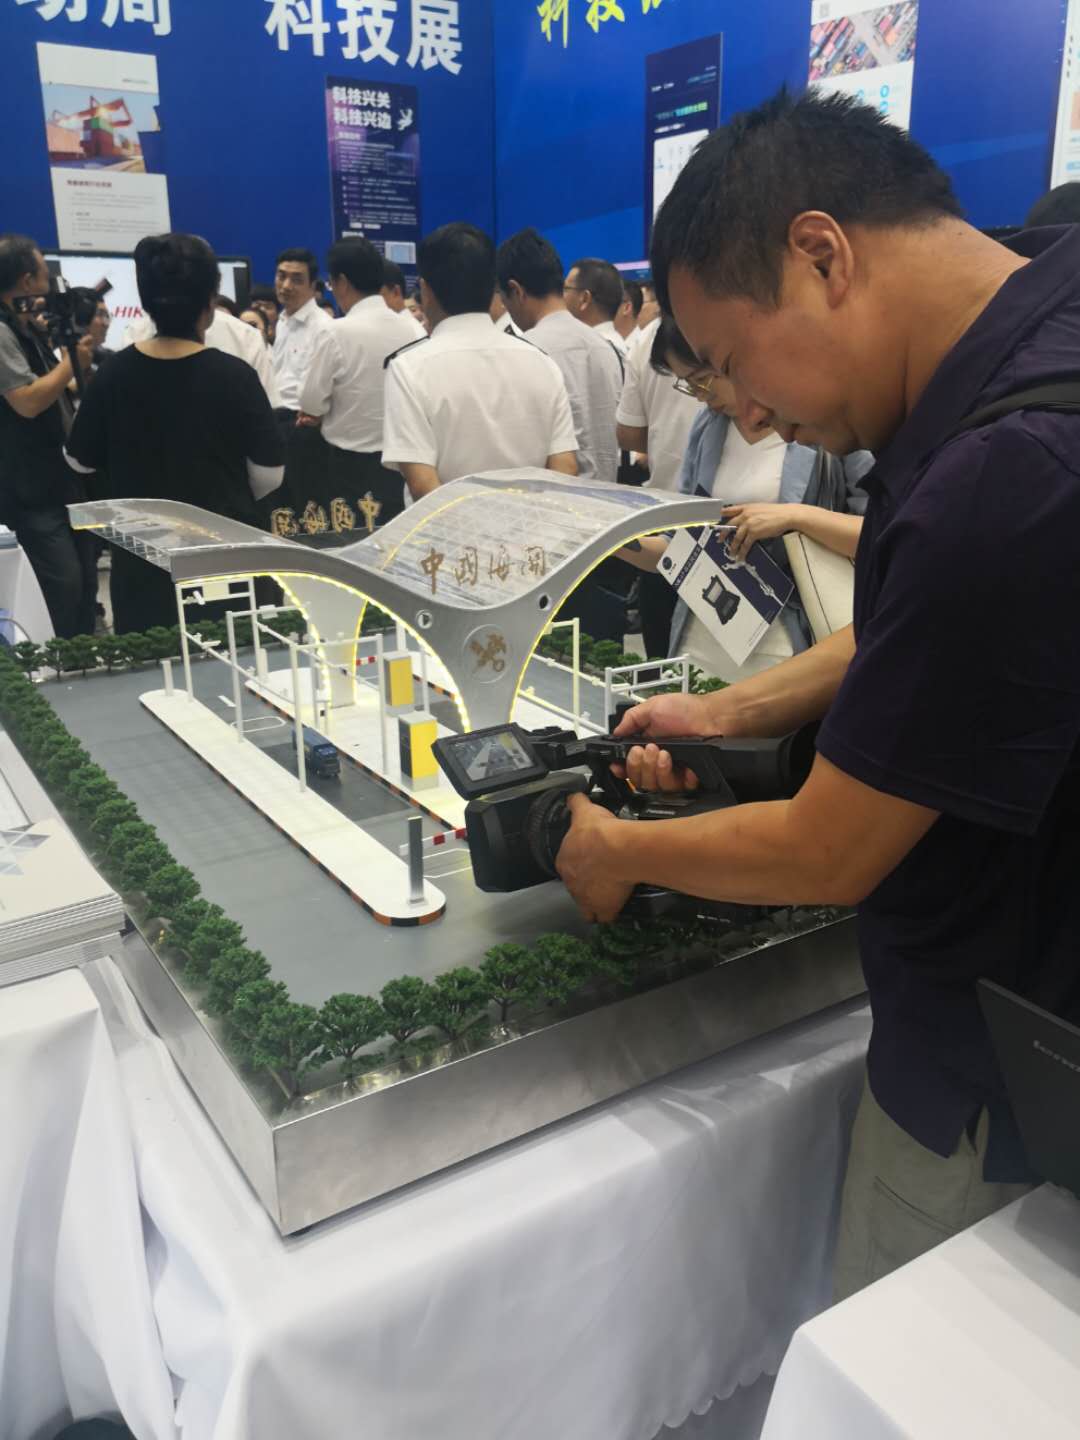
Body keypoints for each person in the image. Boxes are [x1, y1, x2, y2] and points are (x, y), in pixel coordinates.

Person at [556, 88, 1080, 1302]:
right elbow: (935, 637)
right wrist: (727, 712)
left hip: (989, 1084)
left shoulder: (1005, 474)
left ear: (822, 253)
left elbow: (829, 850)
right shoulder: (1035, 319)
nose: (749, 411)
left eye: (735, 363)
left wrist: (619, 848)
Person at [619, 315, 868, 670]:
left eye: (703, 380)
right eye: (688, 385)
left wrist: (796, 517)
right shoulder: (708, 427)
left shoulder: (826, 425)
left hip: (794, 640)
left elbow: (879, 536)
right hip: (703, 635)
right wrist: (616, 539)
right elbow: (683, 546)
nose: (701, 396)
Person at [66, 233, 283, 633]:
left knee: (151, 660)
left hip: (140, 560)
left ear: (145, 301)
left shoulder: (113, 374)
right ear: (209, 305)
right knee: (233, 657)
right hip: (224, 555)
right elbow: (270, 474)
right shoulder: (235, 376)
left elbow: (79, 460)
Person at [382, 222, 577, 502]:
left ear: (426, 290)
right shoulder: (542, 362)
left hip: (446, 529)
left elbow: (423, 485)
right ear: (493, 288)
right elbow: (565, 469)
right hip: (532, 526)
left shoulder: (409, 368)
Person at [0, 233, 97, 637]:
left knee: (85, 580)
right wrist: (72, 363)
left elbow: (54, 390)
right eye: (44, 274)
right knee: (62, 584)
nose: (49, 285)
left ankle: (83, 655)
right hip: (30, 488)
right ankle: (59, 662)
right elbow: (26, 401)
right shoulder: (2, 332)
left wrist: (78, 366)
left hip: (61, 480)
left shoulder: (27, 328)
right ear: (27, 281)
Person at [299, 237, 424, 532]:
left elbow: (310, 403)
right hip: (407, 464)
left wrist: (316, 415)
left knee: (353, 545)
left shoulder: (336, 333)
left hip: (349, 468)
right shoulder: (414, 329)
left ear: (342, 282)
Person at [497, 227, 622, 483]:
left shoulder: (526, 350)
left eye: (504, 300)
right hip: (610, 496)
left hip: (555, 499)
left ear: (516, 291)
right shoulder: (605, 346)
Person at [271, 247, 335, 530]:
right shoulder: (282, 321)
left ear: (313, 286)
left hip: (303, 426)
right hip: (277, 422)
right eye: (281, 276)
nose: (286, 285)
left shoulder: (324, 327)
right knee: (280, 507)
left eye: (296, 279)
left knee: (305, 508)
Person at [564, 256, 630, 358]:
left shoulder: (590, 351)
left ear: (585, 299)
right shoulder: (614, 346)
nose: (561, 296)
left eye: (566, 289)